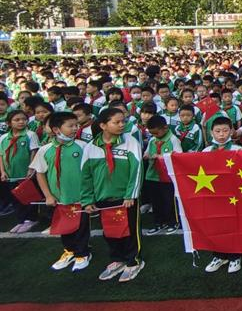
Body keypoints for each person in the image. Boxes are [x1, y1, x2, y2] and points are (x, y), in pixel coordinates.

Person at [80, 108, 145, 282]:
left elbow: (137, 170)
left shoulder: (130, 142)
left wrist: (131, 195)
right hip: (103, 197)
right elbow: (85, 176)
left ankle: (134, 261)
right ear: (103, 125)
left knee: (130, 230)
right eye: (116, 122)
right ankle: (117, 259)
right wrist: (87, 200)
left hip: (126, 198)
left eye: (123, 121)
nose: (121, 125)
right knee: (110, 230)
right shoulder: (91, 147)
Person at [32, 111, 91, 271]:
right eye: (70, 126)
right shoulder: (45, 150)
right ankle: (69, 251)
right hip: (58, 198)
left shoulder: (83, 146)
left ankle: (83, 253)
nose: (75, 128)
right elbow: (40, 173)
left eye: (76, 125)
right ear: (56, 129)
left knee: (81, 227)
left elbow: (90, 171)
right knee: (64, 226)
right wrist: (48, 195)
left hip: (80, 196)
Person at [202, 117, 242, 274]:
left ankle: (235, 256)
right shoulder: (206, 151)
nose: (221, 134)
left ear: (232, 131)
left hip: (233, 196)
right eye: (218, 131)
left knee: (234, 224)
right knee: (216, 225)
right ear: (211, 132)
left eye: (225, 131)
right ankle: (219, 255)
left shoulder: (239, 150)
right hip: (214, 196)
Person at [0, 109, 41, 233]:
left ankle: (31, 219)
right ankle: (21, 220)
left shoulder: (30, 135)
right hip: (10, 174)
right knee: (15, 198)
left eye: (24, 119)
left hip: (25, 174)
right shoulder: (4, 137)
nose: (21, 122)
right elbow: (1, 155)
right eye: (17, 120)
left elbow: (34, 152)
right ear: (9, 123)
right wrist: (2, 171)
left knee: (28, 197)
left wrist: (31, 168)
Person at [142, 115, 182, 236]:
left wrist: (161, 157)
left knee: (169, 200)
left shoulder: (173, 139)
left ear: (165, 128)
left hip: (168, 177)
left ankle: (173, 222)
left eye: (156, 132)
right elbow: (146, 153)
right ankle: (159, 222)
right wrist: (148, 156)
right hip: (153, 175)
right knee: (156, 201)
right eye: (152, 133)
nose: (154, 135)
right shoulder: (152, 140)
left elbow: (179, 155)